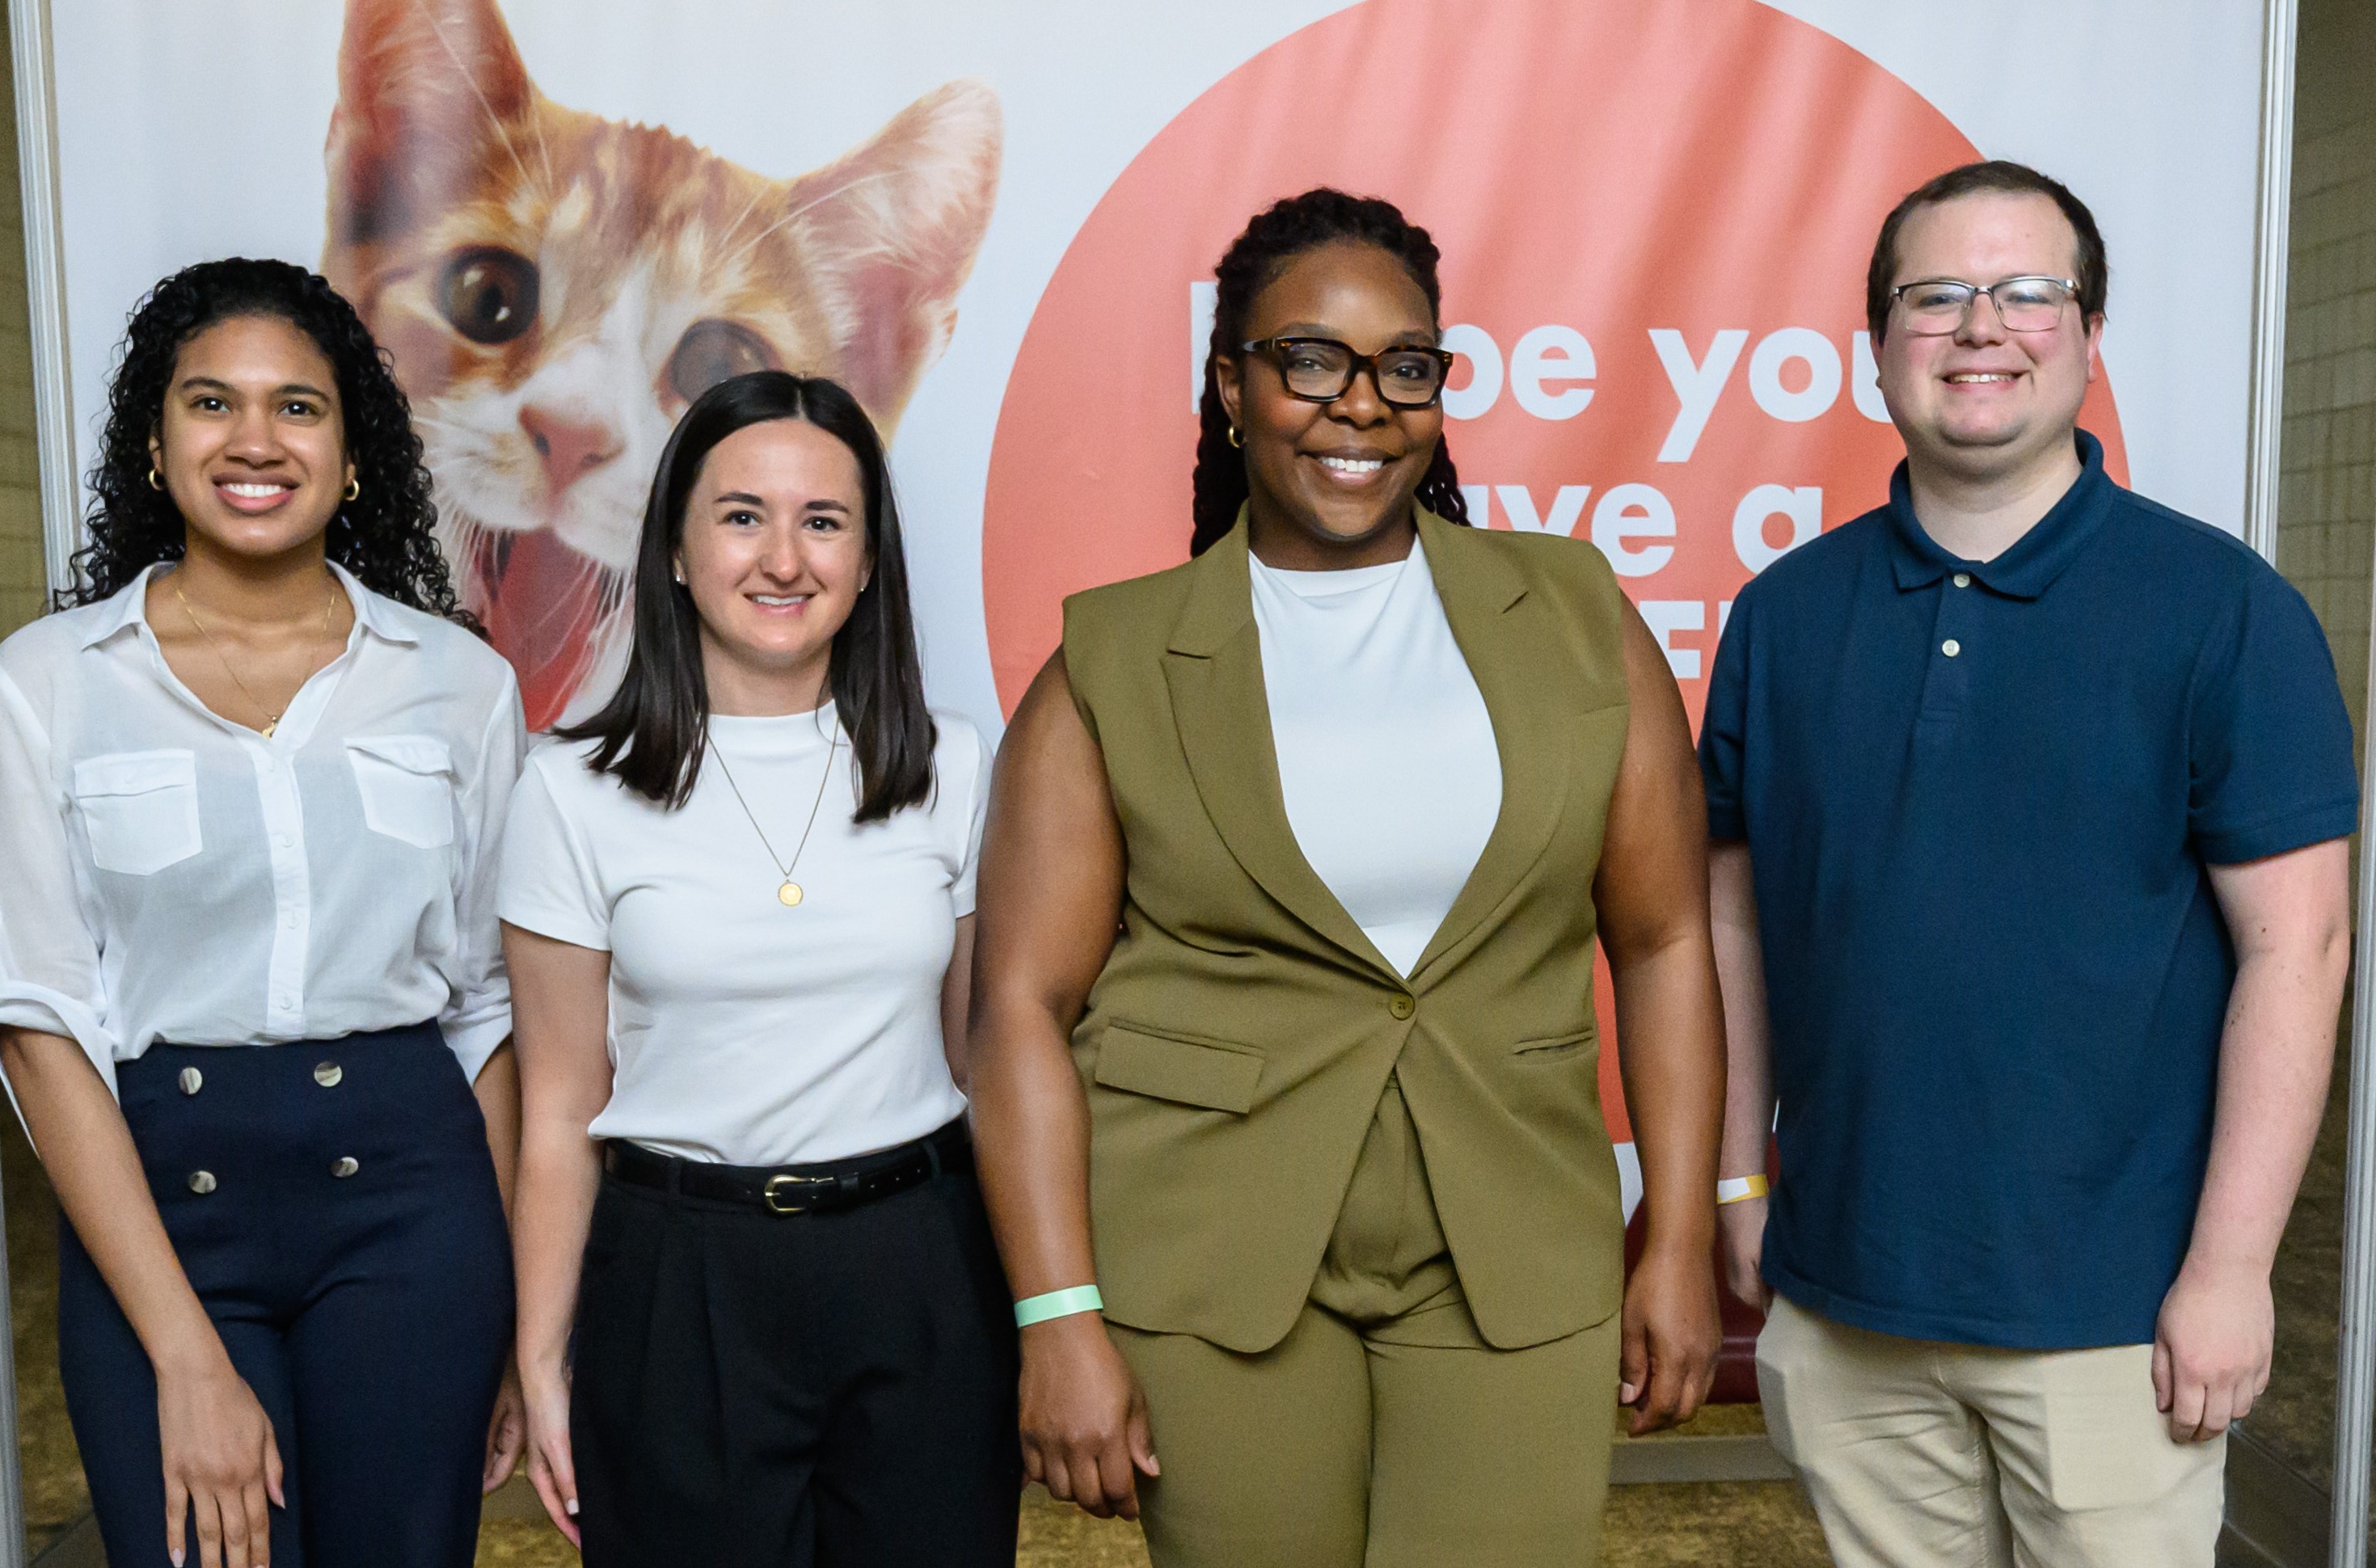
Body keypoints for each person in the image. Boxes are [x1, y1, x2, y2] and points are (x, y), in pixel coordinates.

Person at [967, 188, 1728, 1568]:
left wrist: (1673, 1237)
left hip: (1514, 1245)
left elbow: (1667, 940)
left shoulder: (1574, 618)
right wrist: (1058, 1315)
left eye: (1406, 366)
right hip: (1213, 1264)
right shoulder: (1115, 662)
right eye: (1309, 361)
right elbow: (1018, 1001)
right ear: (1232, 387)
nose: (1359, 405)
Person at [1705, 160, 2357, 1567]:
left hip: (2114, 1316)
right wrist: (1737, 1185)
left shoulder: (2224, 611)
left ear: (2088, 334)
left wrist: (2234, 1272)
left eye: (2026, 292)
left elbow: (2296, 948)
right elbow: (1737, 923)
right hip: (1845, 1297)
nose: (1980, 326)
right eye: (1934, 296)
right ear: (1878, 345)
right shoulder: (1782, 615)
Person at [0, 258, 525, 1568]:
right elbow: (39, 1022)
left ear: (355, 454)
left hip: (414, 1214)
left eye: (299, 408)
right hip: (163, 1208)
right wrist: (187, 1358)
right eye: (211, 404)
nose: (254, 440)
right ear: (156, 449)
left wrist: (495, 1312)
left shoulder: (460, 686)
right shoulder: (48, 683)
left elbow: (492, 1009)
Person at [501, 370, 1015, 1566]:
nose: (784, 559)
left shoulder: (953, 765)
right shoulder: (569, 792)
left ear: (869, 559)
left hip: (921, 1267)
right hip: (683, 1288)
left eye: (823, 522)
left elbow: (982, 1060)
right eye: (742, 516)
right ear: (675, 551)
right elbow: (560, 1107)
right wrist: (540, 1352)